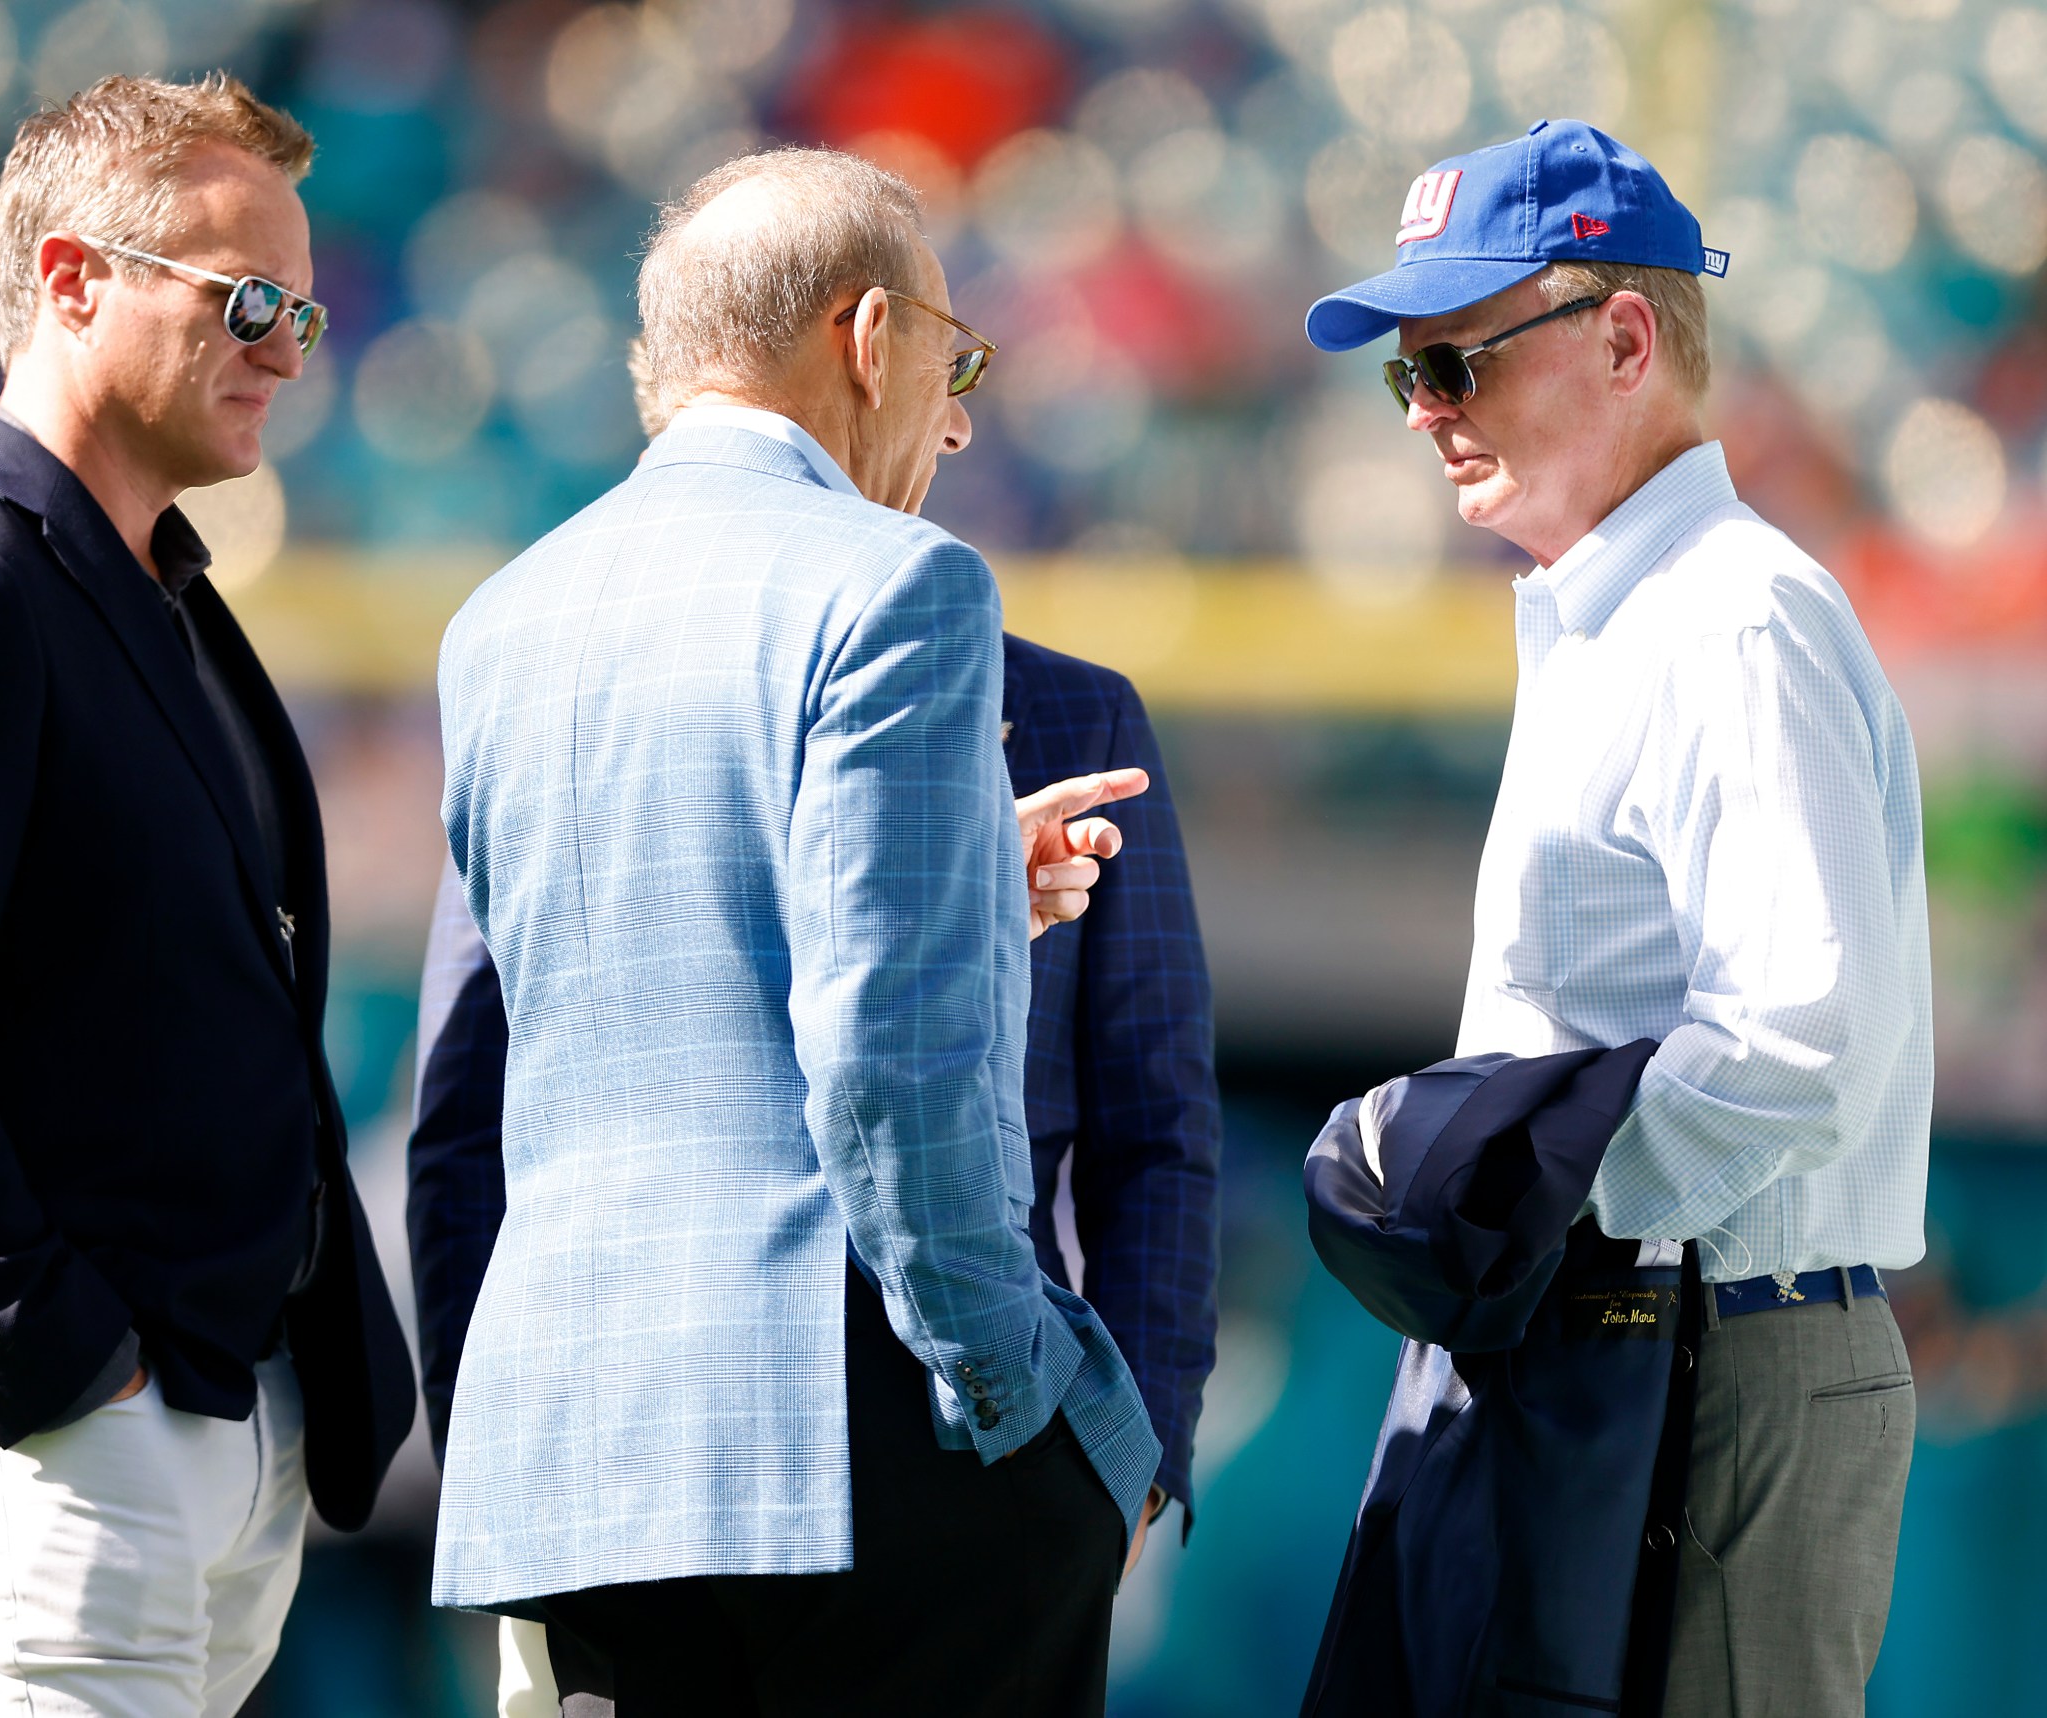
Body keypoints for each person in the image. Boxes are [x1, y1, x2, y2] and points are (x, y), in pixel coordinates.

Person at [429, 146, 1164, 1717]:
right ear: (869, 335)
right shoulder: (901, 582)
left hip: (571, 1462)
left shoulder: (500, 618)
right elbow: (888, 1057)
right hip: (844, 1432)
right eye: (957, 362)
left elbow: (607, 994)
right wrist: (1007, 1377)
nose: (955, 421)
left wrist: (977, 888)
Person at [0, 74, 414, 1718]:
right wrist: (62, 1360)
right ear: (70, 281)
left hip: (204, 1417)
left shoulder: (158, 590)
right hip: (59, 1440)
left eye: (305, 311)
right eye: (246, 298)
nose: (286, 349)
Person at [1305, 119, 1929, 1715]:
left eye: (1458, 362)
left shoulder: (1731, 616)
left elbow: (1799, 1039)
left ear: (1627, 340)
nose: (1426, 410)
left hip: (1718, 1351)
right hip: (1626, 1341)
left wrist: (1512, 1188)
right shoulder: (1633, 609)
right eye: (1407, 374)